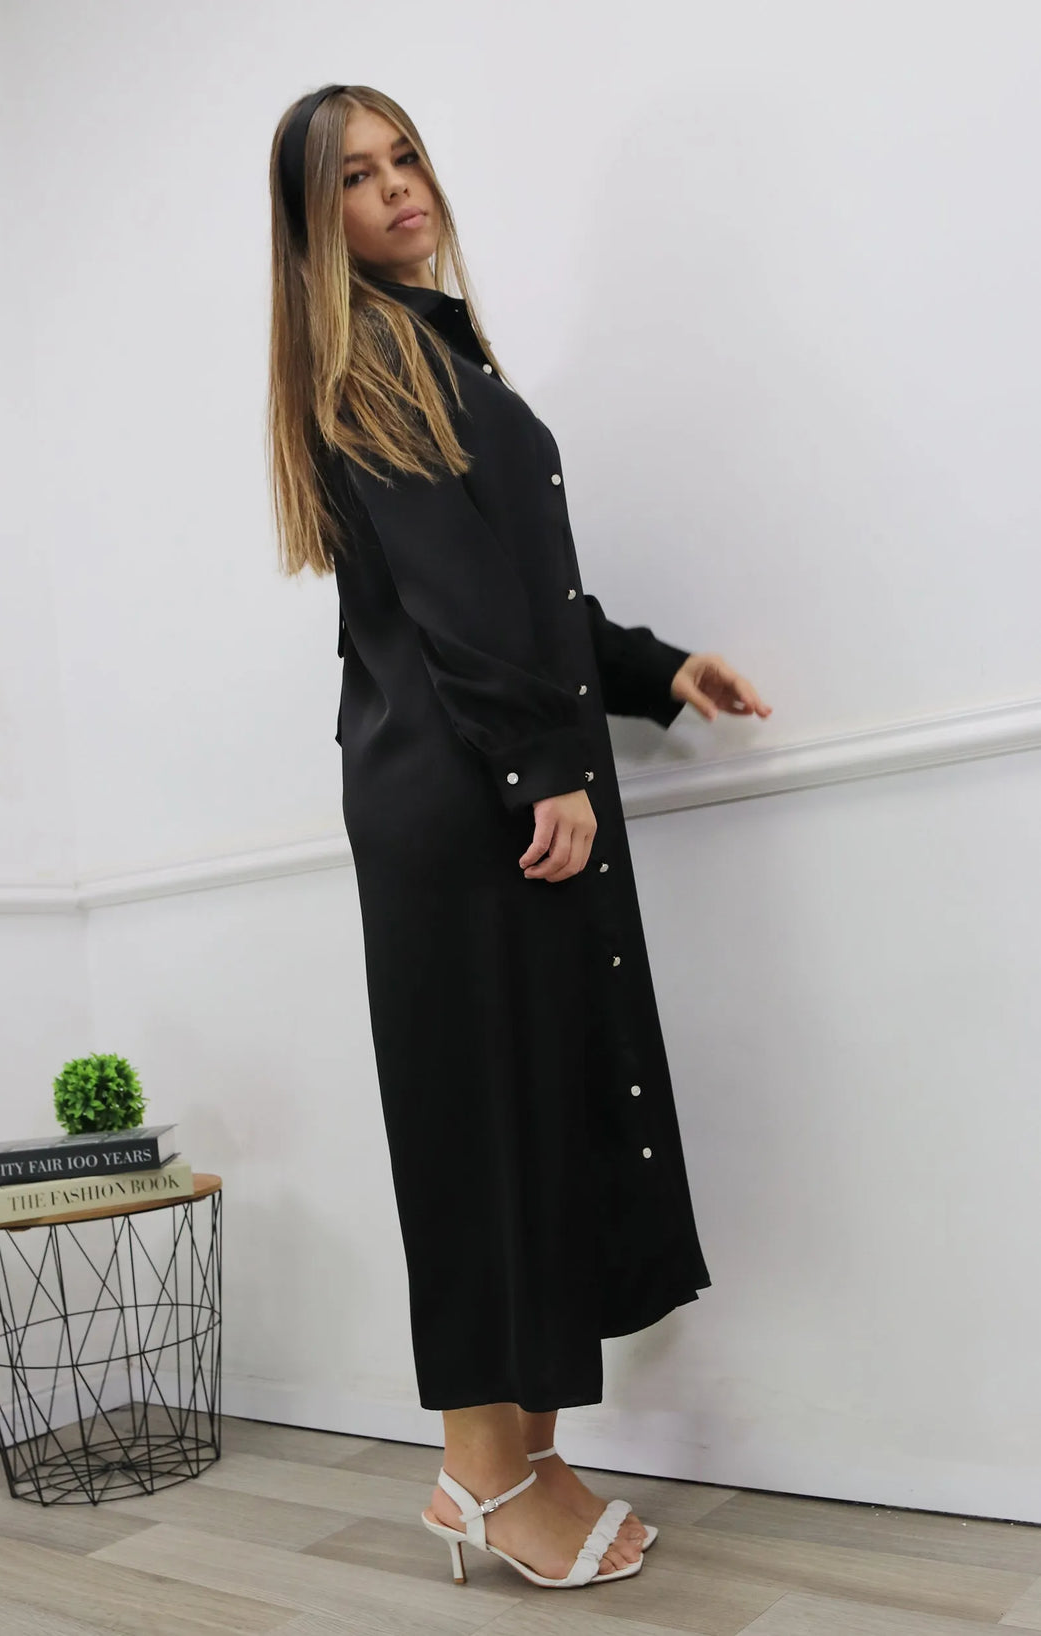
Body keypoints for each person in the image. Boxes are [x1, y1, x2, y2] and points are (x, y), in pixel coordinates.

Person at [266, 83, 771, 1590]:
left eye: (405, 157)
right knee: (487, 1126)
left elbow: (529, 597)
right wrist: (543, 765)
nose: (396, 188)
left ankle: (524, 1458)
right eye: (355, 177)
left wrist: (654, 672)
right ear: (315, 221)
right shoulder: (367, 360)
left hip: (491, 784)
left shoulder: (437, 349)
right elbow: (461, 601)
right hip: (462, 801)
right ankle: (478, 1477)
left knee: (539, 1113)